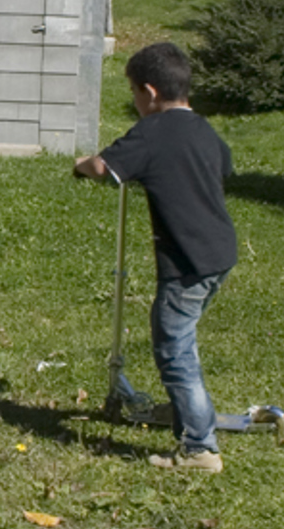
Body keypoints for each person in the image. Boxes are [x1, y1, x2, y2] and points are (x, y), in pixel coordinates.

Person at [73, 42, 237, 473]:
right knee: (182, 339)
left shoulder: (153, 130)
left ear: (148, 92)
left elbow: (104, 168)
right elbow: (223, 165)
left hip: (187, 259)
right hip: (218, 252)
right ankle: (187, 415)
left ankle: (200, 448)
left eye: (131, 92)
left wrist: (80, 163)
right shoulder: (202, 129)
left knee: (173, 346)